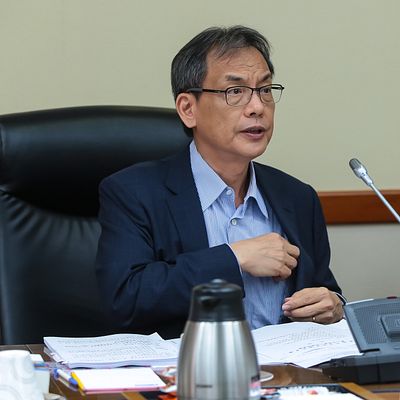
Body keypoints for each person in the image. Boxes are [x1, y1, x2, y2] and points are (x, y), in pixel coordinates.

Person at [96, 25, 344, 339]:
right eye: (235, 91)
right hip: (189, 367)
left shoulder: (297, 197)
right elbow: (125, 299)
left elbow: (325, 291)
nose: (257, 107)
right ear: (188, 109)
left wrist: (333, 305)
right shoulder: (134, 193)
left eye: (265, 90)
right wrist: (235, 257)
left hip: (286, 368)